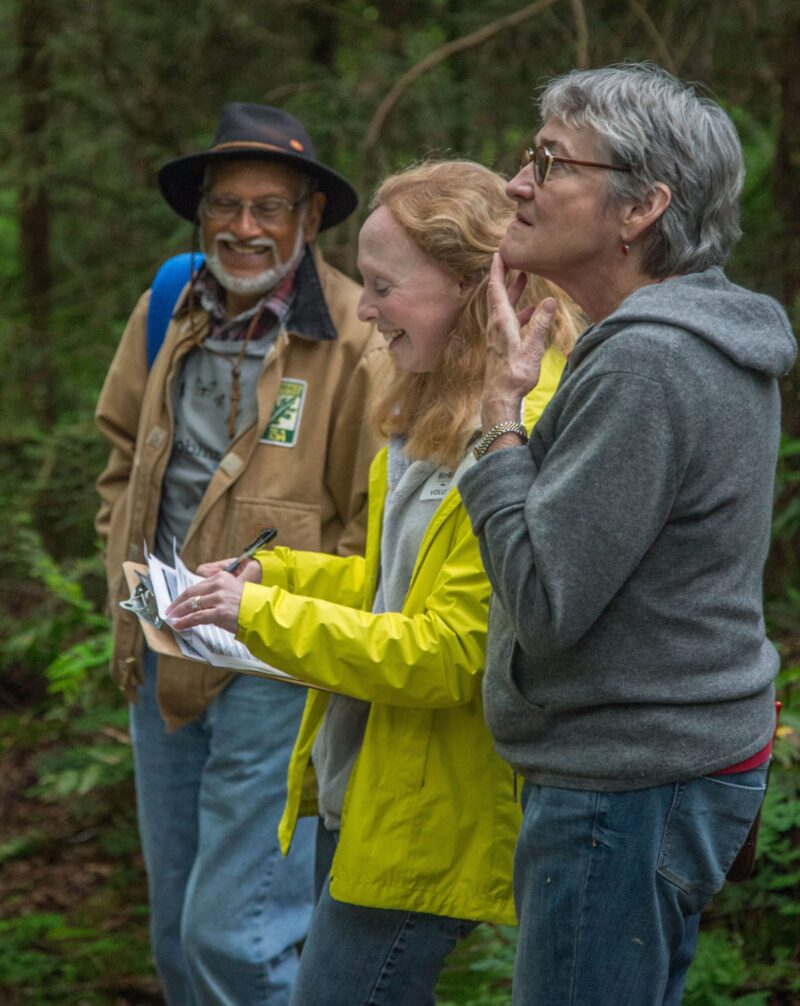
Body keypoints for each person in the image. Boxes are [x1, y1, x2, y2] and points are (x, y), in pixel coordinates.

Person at [165, 159, 583, 1006]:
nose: (363, 308)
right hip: (372, 779)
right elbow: (398, 590)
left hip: (433, 799)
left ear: (473, 286)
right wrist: (275, 575)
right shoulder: (432, 405)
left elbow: (450, 653)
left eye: (385, 285)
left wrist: (265, 614)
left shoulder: (518, 432)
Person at [455, 63, 797, 1005]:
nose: (517, 182)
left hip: (625, 787)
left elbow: (546, 602)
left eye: (551, 161)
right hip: (662, 771)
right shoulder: (693, 340)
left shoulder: (649, 360)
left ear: (642, 206)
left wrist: (498, 425)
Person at [94, 103, 386, 1006]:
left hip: (276, 667)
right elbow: (118, 463)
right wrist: (132, 587)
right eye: (226, 205)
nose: (244, 228)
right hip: (161, 651)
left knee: (239, 934)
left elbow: (371, 526)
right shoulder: (166, 312)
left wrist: (289, 618)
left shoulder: (355, 337)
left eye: (269, 208)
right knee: (177, 931)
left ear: (310, 219)